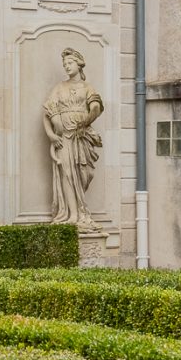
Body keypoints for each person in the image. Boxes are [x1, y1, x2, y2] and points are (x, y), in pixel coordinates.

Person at [43, 47, 104, 231]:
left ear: (79, 63)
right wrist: (52, 136)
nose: (67, 67)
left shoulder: (87, 88)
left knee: (86, 174)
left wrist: (88, 117)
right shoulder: (59, 88)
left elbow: (95, 107)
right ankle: (73, 215)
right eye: (64, 64)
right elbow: (46, 113)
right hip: (65, 138)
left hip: (82, 135)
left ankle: (81, 211)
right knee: (68, 175)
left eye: (70, 63)